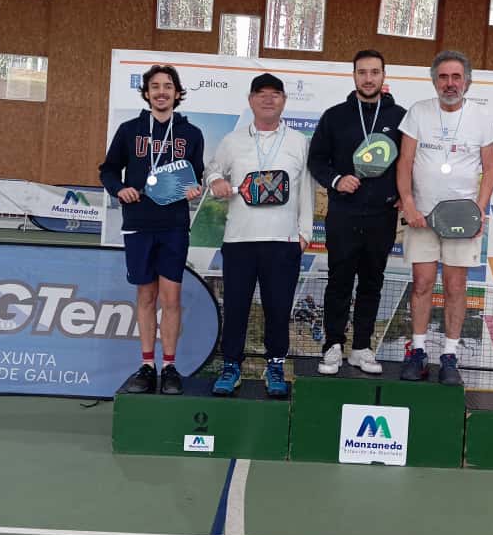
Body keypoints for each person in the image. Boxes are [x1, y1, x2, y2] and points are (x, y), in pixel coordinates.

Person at [206, 73, 314, 397]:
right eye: (261, 93)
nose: (268, 99)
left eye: (275, 93)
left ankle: (276, 366)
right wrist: (215, 181)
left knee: (278, 310)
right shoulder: (232, 141)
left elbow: (307, 190)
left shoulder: (299, 142)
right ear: (251, 100)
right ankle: (231, 366)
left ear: (284, 100)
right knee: (236, 308)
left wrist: (304, 233)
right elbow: (213, 169)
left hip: (283, 243)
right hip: (239, 241)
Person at [99, 64, 204, 395]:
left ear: (177, 93)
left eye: (168, 86)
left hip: (173, 225)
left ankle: (169, 366)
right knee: (146, 296)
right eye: (155, 86)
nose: (161, 92)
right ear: (146, 93)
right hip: (139, 224)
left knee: (171, 298)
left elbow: (195, 176)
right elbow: (108, 170)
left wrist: (194, 189)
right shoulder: (129, 130)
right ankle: (147, 365)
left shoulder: (191, 134)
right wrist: (120, 189)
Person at [396, 50, 493, 385]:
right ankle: (418, 351)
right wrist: (409, 204)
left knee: (455, 287)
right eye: (443, 77)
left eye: (456, 77)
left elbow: (490, 169)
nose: (449, 83)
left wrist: (479, 210)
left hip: (462, 221)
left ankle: (450, 356)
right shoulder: (418, 112)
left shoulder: (481, 117)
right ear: (434, 81)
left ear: (467, 81)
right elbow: (404, 162)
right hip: (421, 218)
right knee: (422, 284)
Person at [308, 50, 405, 375]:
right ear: (353, 76)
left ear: (383, 75)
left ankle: (362, 347)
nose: (368, 78)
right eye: (362, 72)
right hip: (343, 214)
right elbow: (316, 160)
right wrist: (337, 180)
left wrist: (403, 194)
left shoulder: (401, 118)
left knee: (372, 283)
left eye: (374, 72)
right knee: (339, 281)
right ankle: (332, 345)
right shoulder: (335, 116)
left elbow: (411, 162)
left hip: (382, 215)